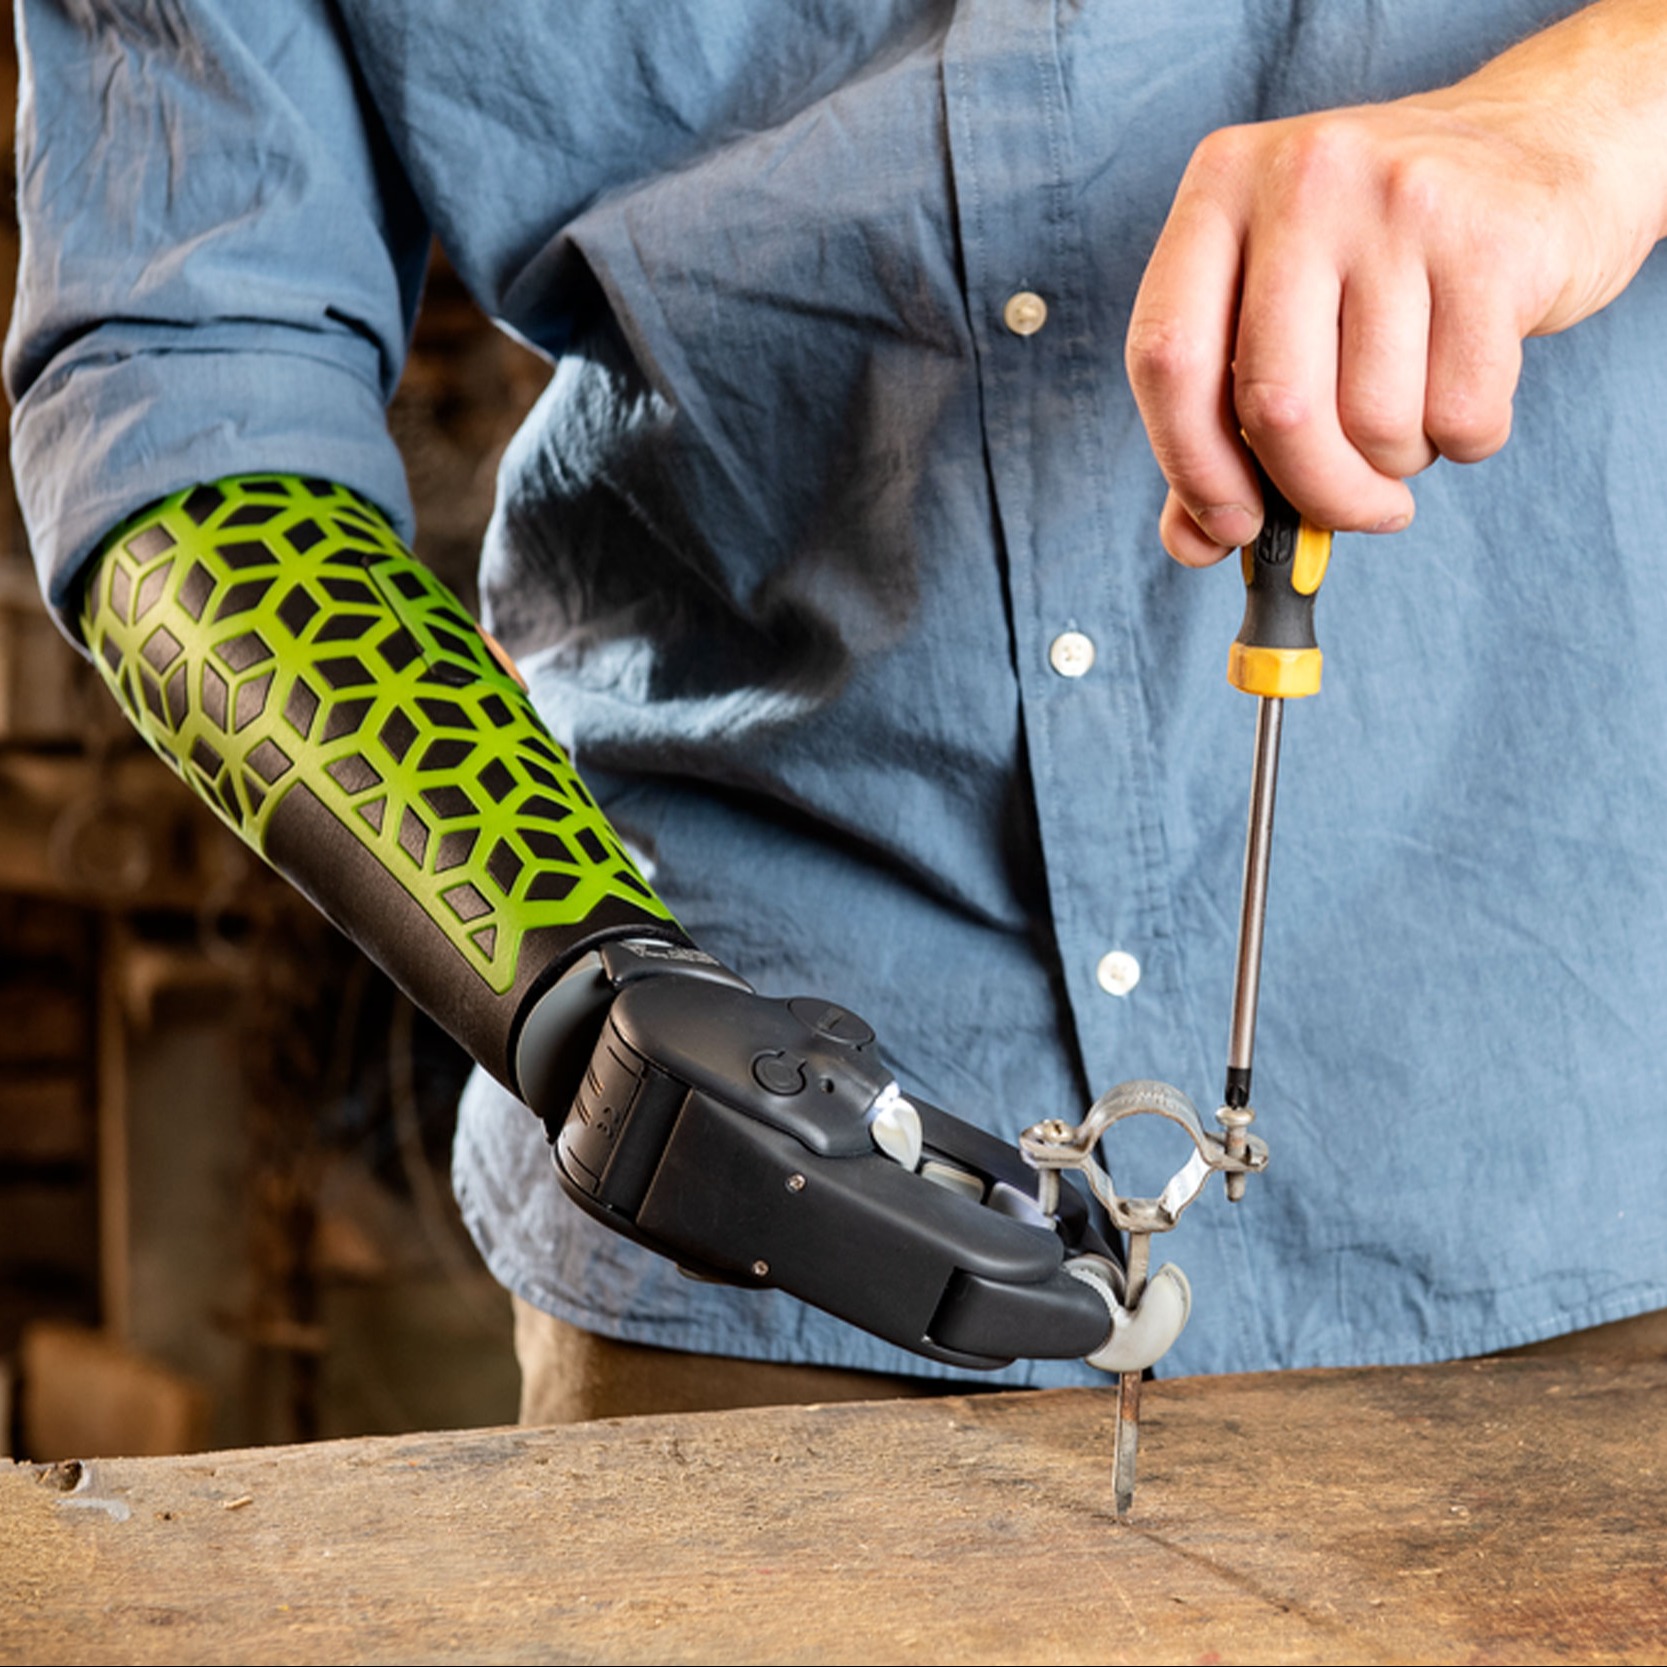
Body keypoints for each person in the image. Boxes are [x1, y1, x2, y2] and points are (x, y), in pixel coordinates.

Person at [9, 1, 1667, 1425]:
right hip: (751, 1274)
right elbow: (183, 381)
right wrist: (587, 988)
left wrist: (1607, 98)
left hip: (1579, 1164)